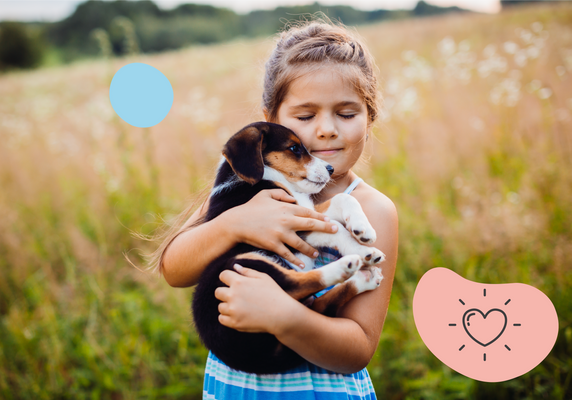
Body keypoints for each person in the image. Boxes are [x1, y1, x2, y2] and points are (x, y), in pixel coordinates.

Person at [151, 17, 398, 399]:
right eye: (305, 116)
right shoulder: (242, 189)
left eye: (347, 114)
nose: (327, 129)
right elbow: (174, 270)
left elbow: (358, 349)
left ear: (370, 118)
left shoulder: (373, 209)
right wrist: (232, 225)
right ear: (270, 122)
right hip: (238, 386)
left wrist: (285, 318)